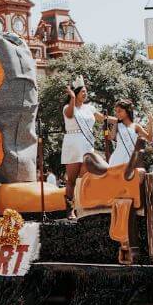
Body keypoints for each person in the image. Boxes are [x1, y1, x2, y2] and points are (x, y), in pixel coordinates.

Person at [61, 75, 105, 220]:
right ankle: (70, 210)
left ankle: (89, 207)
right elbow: (70, 114)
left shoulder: (90, 108)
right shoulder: (67, 107)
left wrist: (122, 120)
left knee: (89, 176)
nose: (85, 94)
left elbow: (103, 118)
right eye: (83, 92)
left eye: (86, 92)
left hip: (87, 145)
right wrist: (72, 98)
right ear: (77, 93)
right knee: (71, 180)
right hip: (73, 144)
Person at [108, 99, 153, 167]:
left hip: (130, 159)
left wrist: (151, 123)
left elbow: (149, 139)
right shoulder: (117, 124)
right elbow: (111, 137)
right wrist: (106, 127)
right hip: (117, 159)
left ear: (127, 111)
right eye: (116, 111)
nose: (117, 113)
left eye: (119, 111)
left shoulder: (136, 126)